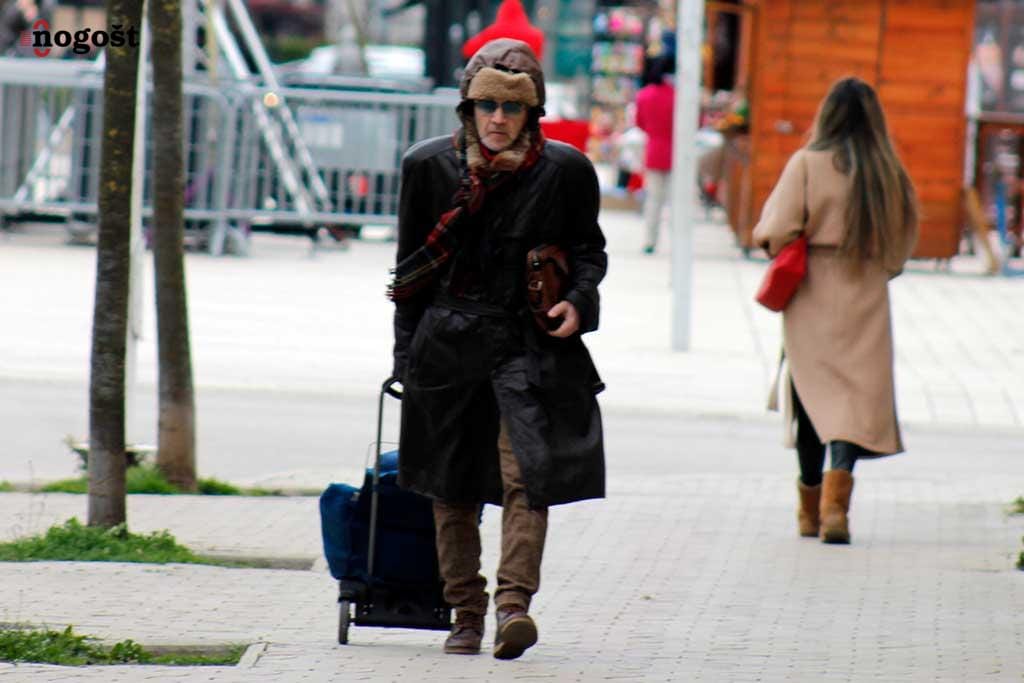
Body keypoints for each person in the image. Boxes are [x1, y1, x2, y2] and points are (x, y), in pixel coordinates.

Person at [388, 38, 607, 659]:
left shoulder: (565, 170)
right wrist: (404, 359)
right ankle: (465, 614)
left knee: (528, 475)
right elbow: (409, 274)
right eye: (486, 105)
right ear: (468, 106)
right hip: (447, 342)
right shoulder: (428, 166)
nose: (498, 118)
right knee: (450, 485)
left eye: (512, 108)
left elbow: (589, 252)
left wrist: (577, 300)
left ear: (532, 111)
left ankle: (514, 606)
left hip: (527, 343)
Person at [751, 77, 918, 545]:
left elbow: (777, 228)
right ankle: (836, 509)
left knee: (810, 397)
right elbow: (903, 240)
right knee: (852, 402)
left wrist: (780, 246)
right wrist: (882, 267)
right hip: (866, 289)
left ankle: (809, 510)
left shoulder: (807, 163)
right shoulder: (888, 172)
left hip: (813, 289)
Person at [635, 55, 675, 254]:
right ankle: (677, 240)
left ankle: (650, 240)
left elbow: (639, 123)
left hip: (653, 149)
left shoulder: (644, 95)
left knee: (653, 200)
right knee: (676, 201)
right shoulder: (678, 96)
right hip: (676, 152)